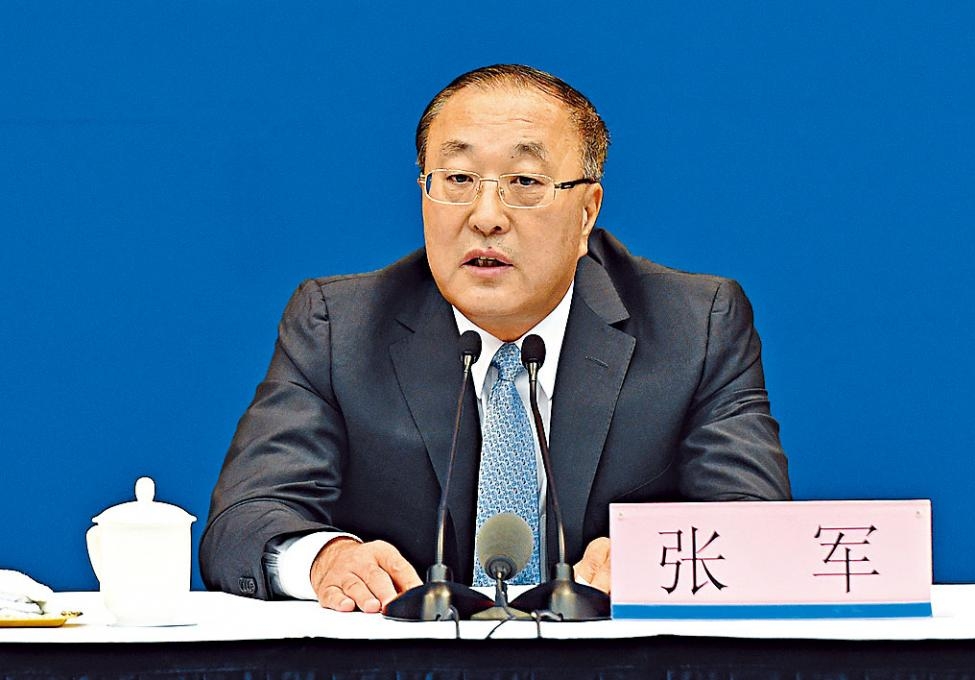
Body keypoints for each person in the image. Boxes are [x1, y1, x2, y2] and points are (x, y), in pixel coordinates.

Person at [200, 64, 791, 613]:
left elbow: (758, 528)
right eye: (458, 179)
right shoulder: (338, 327)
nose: (485, 216)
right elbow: (244, 521)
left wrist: (654, 555)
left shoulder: (695, 325)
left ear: (587, 212)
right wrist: (324, 559)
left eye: (524, 181)